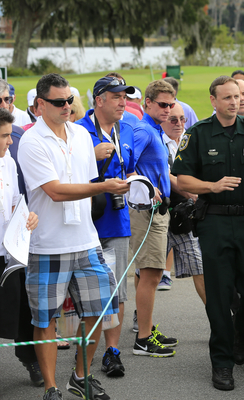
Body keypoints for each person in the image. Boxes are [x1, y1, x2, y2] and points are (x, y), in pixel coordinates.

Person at [19, 73, 130, 400]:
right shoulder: (31, 140)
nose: (67, 106)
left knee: (101, 313)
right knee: (46, 321)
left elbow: (84, 183)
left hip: (86, 241)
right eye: (58, 102)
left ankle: (80, 376)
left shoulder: (81, 135)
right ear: (40, 105)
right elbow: (55, 191)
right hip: (47, 245)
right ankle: (52, 388)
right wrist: (104, 186)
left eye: (69, 100)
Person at [172, 76, 244, 391]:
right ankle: (222, 363)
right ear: (214, 100)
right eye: (227, 97)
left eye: (238, 96)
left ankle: (240, 334)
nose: (235, 102)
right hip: (214, 221)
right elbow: (182, 179)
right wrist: (211, 186)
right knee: (218, 295)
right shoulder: (199, 134)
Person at [74, 76, 136, 378]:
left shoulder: (128, 129)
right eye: (116, 97)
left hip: (118, 221)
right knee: (81, 292)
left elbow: (131, 166)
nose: (123, 102)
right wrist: (91, 156)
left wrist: (141, 184)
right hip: (84, 224)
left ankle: (112, 353)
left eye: (125, 96)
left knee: (118, 291)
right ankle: (81, 349)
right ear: (99, 100)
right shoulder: (78, 131)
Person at [130, 80, 178, 358]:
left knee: (146, 273)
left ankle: (145, 328)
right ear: (147, 103)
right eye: (162, 104)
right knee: (152, 273)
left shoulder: (155, 130)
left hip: (157, 210)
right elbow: (126, 162)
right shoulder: (144, 130)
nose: (168, 110)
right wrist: (147, 185)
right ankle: (143, 339)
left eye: (170, 105)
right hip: (147, 211)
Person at [0, 108, 42, 387]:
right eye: (4, 136)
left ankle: (31, 360)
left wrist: (27, 215)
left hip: (11, 252)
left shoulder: (8, 163)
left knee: (23, 310)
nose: (10, 141)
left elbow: (16, 200)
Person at [160, 102, 206, 302]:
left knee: (199, 267)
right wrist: (191, 192)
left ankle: (218, 321)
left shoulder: (190, 139)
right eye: (173, 119)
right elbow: (165, 173)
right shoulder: (155, 141)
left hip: (183, 216)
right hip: (159, 214)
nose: (179, 124)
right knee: (147, 272)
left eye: (182, 119)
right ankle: (141, 319)